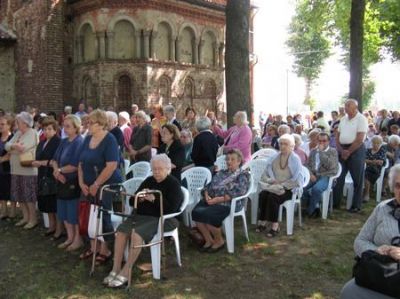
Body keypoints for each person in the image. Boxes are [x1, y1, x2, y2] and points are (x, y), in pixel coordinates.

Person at [103, 154, 183, 288]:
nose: (156, 172)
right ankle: (115, 268)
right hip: (140, 216)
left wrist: (154, 199)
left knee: (136, 233)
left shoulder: (173, 184)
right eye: (154, 169)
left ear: (168, 169)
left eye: (160, 169)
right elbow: (131, 200)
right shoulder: (149, 180)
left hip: (161, 219)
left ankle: (126, 270)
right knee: (121, 232)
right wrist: (139, 199)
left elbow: (172, 208)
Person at [340, 164, 400, 299]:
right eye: (398, 186)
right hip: (381, 271)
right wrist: (377, 251)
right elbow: (360, 241)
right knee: (349, 291)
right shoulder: (383, 208)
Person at [78, 109, 123, 264]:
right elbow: (81, 162)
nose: (87, 125)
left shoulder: (109, 139)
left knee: (103, 215)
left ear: (100, 124)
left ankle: (105, 249)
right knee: (88, 214)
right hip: (88, 184)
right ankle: (93, 246)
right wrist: (81, 183)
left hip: (107, 184)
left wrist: (97, 184)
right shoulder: (87, 138)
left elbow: (111, 165)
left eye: (90, 122)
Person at [192, 149, 250, 252]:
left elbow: (240, 191)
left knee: (209, 215)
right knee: (196, 213)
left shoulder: (242, 175)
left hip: (228, 203)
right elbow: (208, 186)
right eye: (227, 159)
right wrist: (206, 195)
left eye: (232, 159)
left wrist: (218, 199)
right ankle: (209, 240)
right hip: (212, 200)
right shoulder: (221, 173)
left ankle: (219, 241)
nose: (229, 161)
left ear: (239, 161)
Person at [256, 134, 303, 237]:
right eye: (281, 143)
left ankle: (275, 226)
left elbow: (297, 179)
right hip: (274, 186)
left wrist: (282, 185)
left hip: (288, 189)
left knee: (273, 197)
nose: (282, 146)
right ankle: (263, 221)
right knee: (263, 194)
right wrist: (271, 180)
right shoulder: (274, 157)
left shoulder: (295, 159)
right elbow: (265, 173)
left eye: (286, 144)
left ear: (292, 146)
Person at [52, 115, 83, 250]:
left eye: (68, 126)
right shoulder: (64, 141)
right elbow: (54, 160)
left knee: (73, 213)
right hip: (61, 181)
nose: (64, 128)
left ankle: (77, 239)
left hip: (72, 182)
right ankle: (69, 237)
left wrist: (59, 170)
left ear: (76, 128)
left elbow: (75, 165)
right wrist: (57, 171)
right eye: (64, 126)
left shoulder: (79, 142)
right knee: (63, 212)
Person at [333, 99, 368, 213]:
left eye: (348, 105)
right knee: (339, 177)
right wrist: (341, 149)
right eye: (345, 105)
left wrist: (348, 151)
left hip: (356, 150)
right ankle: (335, 203)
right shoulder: (343, 119)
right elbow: (337, 136)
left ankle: (356, 205)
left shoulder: (361, 119)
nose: (346, 107)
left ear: (355, 108)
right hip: (342, 149)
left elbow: (360, 138)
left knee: (357, 179)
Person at [5, 112, 39, 229]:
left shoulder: (32, 133)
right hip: (15, 169)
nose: (16, 124)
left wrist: (12, 148)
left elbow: (23, 148)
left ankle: (33, 219)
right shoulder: (18, 133)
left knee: (28, 196)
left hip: (27, 170)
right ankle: (25, 217)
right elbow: (6, 146)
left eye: (18, 122)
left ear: (25, 123)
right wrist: (14, 147)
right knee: (20, 196)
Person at [32, 118, 62, 236]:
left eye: (49, 129)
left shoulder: (58, 142)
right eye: (44, 129)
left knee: (54, 203)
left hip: (52, 174)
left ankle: (59, 229)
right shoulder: (42, 142)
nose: (46, 131)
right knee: (47, 202)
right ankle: (51, 225)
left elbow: (57, 160)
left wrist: (41, 163)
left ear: (55, 130)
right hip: (42, 174)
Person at [302, 132, 338, 217]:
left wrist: (321, 153)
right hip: (314, 175)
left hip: (327, 176)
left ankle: (310, 211)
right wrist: (310, 174)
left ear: (328, 141)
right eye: (319, 141)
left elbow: (330, 165)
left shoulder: (333, 151)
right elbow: (308, 165)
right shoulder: (314, 151)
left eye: (324, 141)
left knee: (316, 189)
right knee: (302, 187)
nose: (321, 143)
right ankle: (315, 207)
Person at [362, 135, 386, 202]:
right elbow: (363, 160)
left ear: (380, 144)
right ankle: (365, 193)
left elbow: (381, 162)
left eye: (378, 143)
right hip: (367, 169)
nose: (375, 144)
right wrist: (374, 161)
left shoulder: (382, 151)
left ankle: (366, 194)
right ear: (372, 143)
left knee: (367, 173)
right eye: (374, 143)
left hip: (376, 170)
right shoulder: (368, 150)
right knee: (365, 172)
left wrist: (370, 161)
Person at [0, 115, 15, 219]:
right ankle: (3, 210)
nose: (0, 126)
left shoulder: (13, 137)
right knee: (1, 189)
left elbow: (12, 153)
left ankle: (13, 212)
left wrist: (1, 159)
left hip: (9, 168)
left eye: (2, 124)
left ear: (9, 125)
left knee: (10, 190)